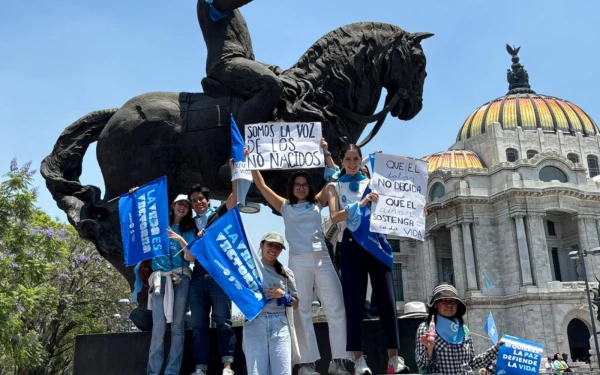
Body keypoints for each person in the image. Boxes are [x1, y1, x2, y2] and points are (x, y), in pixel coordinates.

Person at [248, 139, 352, 375]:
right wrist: (251, 159)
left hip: (323, 259)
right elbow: (262, 186)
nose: (302, 188)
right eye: (297, 185)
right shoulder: (284, 206)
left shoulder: (318, 202)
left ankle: (339, 360)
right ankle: (306, 363)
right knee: (300, 310)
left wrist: (326, 152)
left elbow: (333, 179)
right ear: (291, 188)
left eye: (305, 184)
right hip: (298, 261)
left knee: (336, 307)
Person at [326, 143, 408, 374]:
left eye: (355, 159)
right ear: (342, 162)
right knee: (354, 303)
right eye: (348, 159)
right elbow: (334, 218)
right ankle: (358, 359)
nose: (351, 163)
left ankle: (394, 358)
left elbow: (398, 205)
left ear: (360, 160)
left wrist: (416, 212)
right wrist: (359, 204)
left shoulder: (374, 182)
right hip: (351, 244)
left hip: (376, 243)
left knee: (387, 300)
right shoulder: (334, 187)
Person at [197, 0, 282, 128]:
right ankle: (243, 144)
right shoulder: (208, 1)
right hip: (224, 62)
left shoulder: (236, 11)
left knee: (284, 75)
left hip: (242, 60)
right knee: (270, 84)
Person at [188, 180, 238, 375]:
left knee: (223, 321)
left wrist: (236, 170)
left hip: (220, 275)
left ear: (208, 201)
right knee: (198, 325)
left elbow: (234, 196)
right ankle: (200, 368)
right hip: (198, 276)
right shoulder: (188, 224)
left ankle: (227, 366)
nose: (198, 202)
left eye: (201, 199)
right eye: (194, 200)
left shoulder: (220, 214)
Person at [146, 194, 196, 375]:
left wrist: (180, 240)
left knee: (177, 327)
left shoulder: (188, 230)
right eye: (180, 204)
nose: (182, 207)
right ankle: (153, 372)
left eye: (186, 205)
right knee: (158, 328)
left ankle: (171, 372)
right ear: (173, 206)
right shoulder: (157, 226)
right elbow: (138, 218)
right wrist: (134, 194)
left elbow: (191, 258)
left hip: (181, 279)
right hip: (160, 280)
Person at [242, 231, 299, 375]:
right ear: (262, 245)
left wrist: (283, 296)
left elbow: (296, 303)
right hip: (254, 322)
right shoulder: (247, 269)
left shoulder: (285, 272)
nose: (274, 249)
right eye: (270, 245)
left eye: (278, 247)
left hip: (280, 324)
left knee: (283, 372)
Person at [416, 283, 502, 375]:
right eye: (444, 301)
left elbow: (471, 363)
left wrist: (496, 349)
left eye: (453, 301)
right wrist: (429, 349)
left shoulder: (464, 329)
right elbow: (423, 366)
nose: (449, 305)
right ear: (436, 305)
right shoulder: (426, 328)